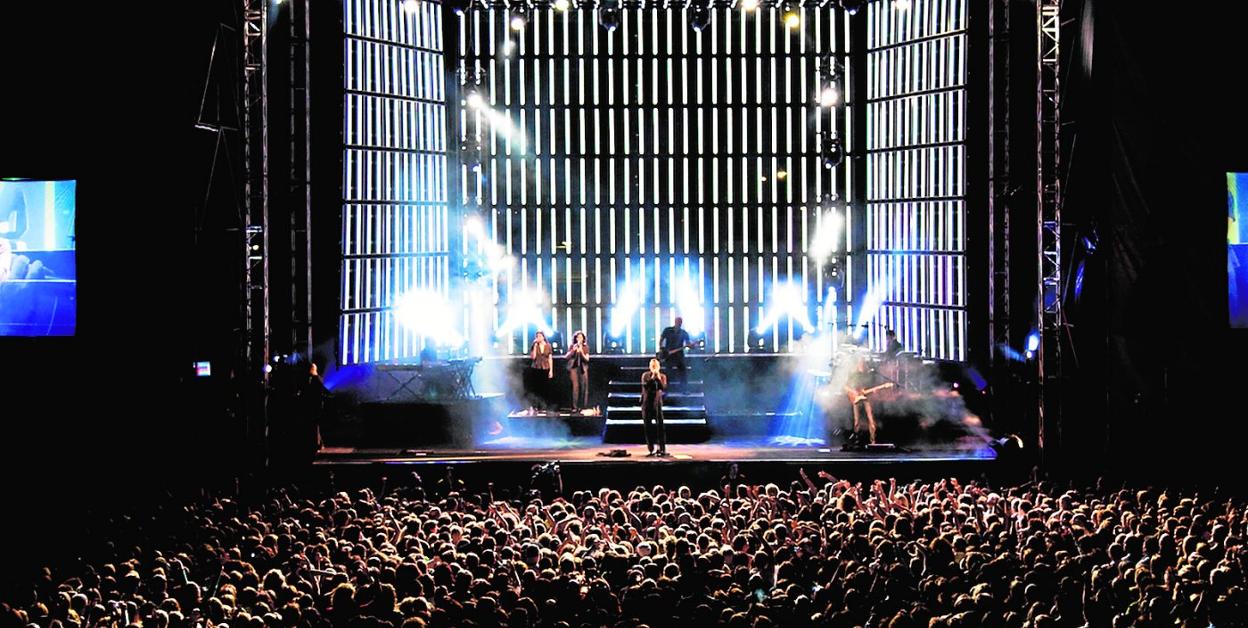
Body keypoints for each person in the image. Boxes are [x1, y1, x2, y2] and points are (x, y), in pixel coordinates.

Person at [844, 356, 881, 445]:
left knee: (871, 419)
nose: (862, 364)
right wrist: (853, 392)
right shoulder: (853, 374)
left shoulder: (869, 374)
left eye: (864, 363)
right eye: (861, 362)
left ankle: (873, 440)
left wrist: (875, 390)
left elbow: (870, 387)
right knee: (857, 420)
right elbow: (845, 386)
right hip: (856, 397)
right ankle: (857, 438)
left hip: (866, 397)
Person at [640, 358, 668, 456]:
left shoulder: (663, 376)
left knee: (660, 426)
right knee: (648, 427)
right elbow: (646, 386)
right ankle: (650, 448)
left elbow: (663, 387)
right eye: (652, 366)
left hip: (657, 404)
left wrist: (658, 378)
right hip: (647, 404)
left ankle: (662, 448)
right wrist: (652, 378)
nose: (654, 368)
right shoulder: (645, 376)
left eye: (656, 366)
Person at [658, 316, 692, 386]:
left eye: (680, 322)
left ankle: (684, 388)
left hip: (679, 355)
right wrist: (661, 348)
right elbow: (661, 339)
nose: (679, 323)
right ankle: (666, 388)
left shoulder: (684, 333)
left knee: (682, 371)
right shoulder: (667, 330)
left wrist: (692, 346)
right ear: (675, 322)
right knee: (668, 372)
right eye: (677, 322)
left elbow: (688, 344)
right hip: (668, 355)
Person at [527, 331, 554, 412]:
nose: (538, 337)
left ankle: (544, 407)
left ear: (543, 337)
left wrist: (551, 370)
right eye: (537, 336)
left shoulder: (548, 345)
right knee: (536, 388)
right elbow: (533, 357)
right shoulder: (535, 345)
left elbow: (550, 358)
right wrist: (535, 347)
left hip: (545, 367)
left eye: (540, 336)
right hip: (536, 367)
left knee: (545, 388)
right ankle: (536, 406)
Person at [565, 330, 590, 412]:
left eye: (581, 337)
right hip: (574, 368)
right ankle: (574, 407)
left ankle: (583, 406)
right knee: (575, 387)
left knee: (584, 387)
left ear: (583, 339)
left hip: (583, 368)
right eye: (578, 337)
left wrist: (581, 352)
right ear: (575, 339)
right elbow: (566, 357)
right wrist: (573, 350)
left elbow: (587, 359)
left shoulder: (586, 347)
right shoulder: (572, 346)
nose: (579, 339)